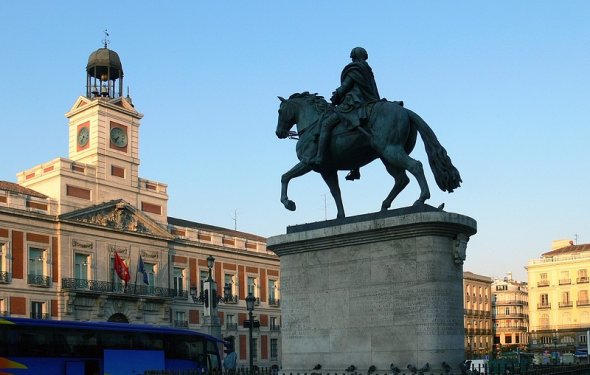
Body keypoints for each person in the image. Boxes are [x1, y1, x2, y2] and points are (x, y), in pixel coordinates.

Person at [314, 47, 381, 180]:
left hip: (353, 103)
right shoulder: (367, 69)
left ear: (354, 56)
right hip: (368, 102)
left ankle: (320, 156)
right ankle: (355, 169)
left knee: (326, 124)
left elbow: (346, 86)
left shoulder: (354, 68)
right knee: (357, 135)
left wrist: (336, 94)